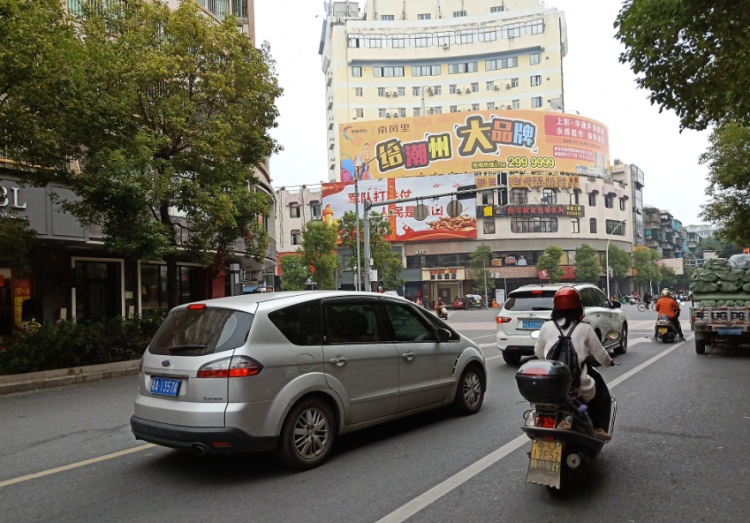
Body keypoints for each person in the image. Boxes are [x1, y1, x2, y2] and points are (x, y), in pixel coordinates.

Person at [533, 287, 615, 441]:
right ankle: (597, 427)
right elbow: (600, 355)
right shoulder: (585, 328)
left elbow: (538, 352)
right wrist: (609, 362)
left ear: (555, 307)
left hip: (551, 381)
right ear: (579, 307)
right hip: (578, 382)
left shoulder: (546, 326)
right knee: (601, 393)